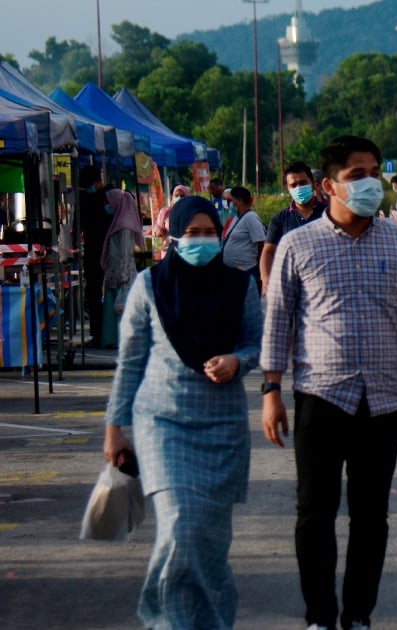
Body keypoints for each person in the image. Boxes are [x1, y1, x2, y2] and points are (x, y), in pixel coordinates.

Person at [261, 135, 397, 630]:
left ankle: (358, 615)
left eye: (374, 172)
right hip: (320, 399)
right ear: (327, 186)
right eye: (357, 175)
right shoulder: (296, 245)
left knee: (371, 518)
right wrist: (270, 392)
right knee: (315, 513)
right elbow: (278, 323)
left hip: (381, 403)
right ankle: (319, 616)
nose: (370, 183)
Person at [102, 196, 260, 629]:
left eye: (210, 233)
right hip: (164, 425)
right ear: (175, 235)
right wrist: (115, 427)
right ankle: (167, 622)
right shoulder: (150, 286)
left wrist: (237, 361)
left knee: (208, 543)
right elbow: (130, 361)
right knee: (179, 529)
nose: (203, 241)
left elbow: (256, 343)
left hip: (222, 430)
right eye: (193, 233)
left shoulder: (238, 286)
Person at [261, 162, 328, 294]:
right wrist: (266, 279)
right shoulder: (280, 219)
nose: (299, 188)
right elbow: (268, 251)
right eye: (293, 185)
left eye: (303, 183)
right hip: (292, 287)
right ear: (287, 187)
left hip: (325, 285)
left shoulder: (329, 214)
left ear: (313, 183)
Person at [101, 188, 145, 348]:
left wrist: (124, 275)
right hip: (115, 273)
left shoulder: (125, 225)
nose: (107, 205)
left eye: (109, 202)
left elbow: (126, 252)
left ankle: (121, 341)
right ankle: (114, 340)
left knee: (121, 309)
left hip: (122, 274)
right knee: (116, 309)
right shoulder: (119, 222)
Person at [79, 166, 111, 347]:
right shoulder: (103, 198)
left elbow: (79, 226)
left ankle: (98, 333)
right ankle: (101, 333)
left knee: (94, 293)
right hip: (102, 251)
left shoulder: (86, 199)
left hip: (94, 252)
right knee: (98, 293)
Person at [222, 186, 267, 292]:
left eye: (231, 200)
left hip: (248, 270)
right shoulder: (237, 218)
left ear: (239, 200)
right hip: (233, 272)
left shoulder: (251, 218)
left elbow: (261, 243)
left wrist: (260, 270)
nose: (230, 203)